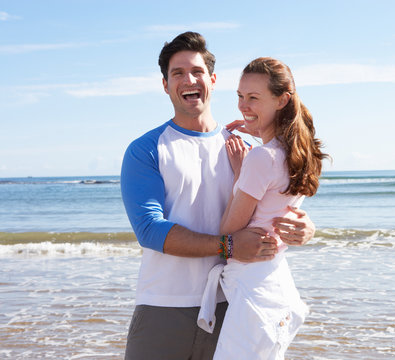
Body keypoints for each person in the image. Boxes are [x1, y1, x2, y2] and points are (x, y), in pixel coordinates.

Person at [120, 32, 316, 360]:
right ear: (165, 85)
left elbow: (278, 206)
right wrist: (228, 245)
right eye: (177, 73)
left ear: (212, 79)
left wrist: (305, 228)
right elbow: (150, 230)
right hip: (164, 305)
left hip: (234, 305)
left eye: (196, 71)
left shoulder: (250, 150)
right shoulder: (146, 150)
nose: (188, 79)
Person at [197, 57, 329, 359]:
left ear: (282, 100)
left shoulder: (259, 159)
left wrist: (241, 170)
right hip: (275, 281)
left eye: (254, 98)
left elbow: (228, 232)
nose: (243, 106)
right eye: (240, 97)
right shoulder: (299, 152)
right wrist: (258, 126)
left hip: (251, 289)